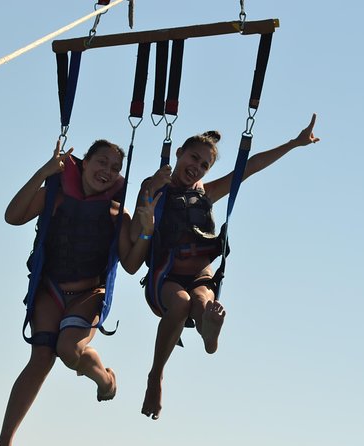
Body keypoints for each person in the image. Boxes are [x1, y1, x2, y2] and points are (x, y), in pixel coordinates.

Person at [132, 113, 321, 420]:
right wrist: (154, 185)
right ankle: (156, 377)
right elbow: (142, 207)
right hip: (164, 275)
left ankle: (209, 330)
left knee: (204, 302)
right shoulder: (156, 186)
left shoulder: (206, 194)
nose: (197, 167)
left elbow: (248, 168)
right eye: (193, 157)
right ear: (178, 153)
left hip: (199, 274)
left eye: (204, 165)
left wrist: (294, 143)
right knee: (180, 304)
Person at [0, 139, 158, 446]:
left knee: (68, 350)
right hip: (51, 289)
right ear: (84, 163)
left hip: (88, 294)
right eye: (102, 162)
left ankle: (106, 380)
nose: (108, 171)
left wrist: (146, 230)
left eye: (115, 168)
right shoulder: (54, 196)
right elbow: (12, 216)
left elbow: (132, 265)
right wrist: (43, 172)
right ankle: (5, 440)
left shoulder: (116, 214)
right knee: (42, 357)